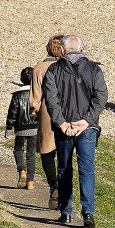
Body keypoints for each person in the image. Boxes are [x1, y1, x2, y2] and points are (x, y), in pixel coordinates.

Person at [41, 34, 107, 228]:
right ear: (82, 47)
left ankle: (66, 211)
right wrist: (87, 121)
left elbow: (51, 99)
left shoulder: (53, 70)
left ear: (62, 49)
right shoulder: (94, 69)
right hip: (87, 128)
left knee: (64, 169)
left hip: (65, 128)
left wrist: (61, 123)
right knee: (87, 169)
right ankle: (88, 213)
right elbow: (101, 97)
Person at [30, 36, 65, 208]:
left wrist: (34, 111)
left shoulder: (40, 67)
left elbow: (35, 95)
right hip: (67, 110)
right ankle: (64, 187)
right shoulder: (68, 67)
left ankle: (54, 185)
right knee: (64, 150)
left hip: (47, 110)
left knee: (46, 151)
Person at [6, 66, 39, 189]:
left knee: (18, 150)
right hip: (35, 127)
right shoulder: (37, 93)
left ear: (21, 79)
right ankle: (30, 182)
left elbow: (12, 112)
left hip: (20, 128)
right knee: (31, 153)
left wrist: (9, 128)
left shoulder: (17, 95)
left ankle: (22, 171)